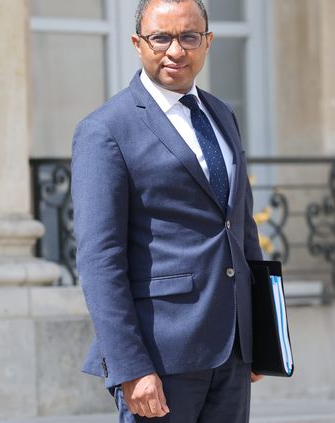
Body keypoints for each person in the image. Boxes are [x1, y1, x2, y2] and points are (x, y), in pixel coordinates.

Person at [71, 0, 263, 421]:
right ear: (138, 44)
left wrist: (261, 335)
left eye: (189, 37)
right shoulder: (105, 130)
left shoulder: (222, 114)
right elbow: (99, 260)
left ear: (207, 42)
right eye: (162, 38)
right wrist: (130, 367)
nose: (176, 50)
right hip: (160, 357)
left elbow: (241, 226)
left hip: (232, 351)